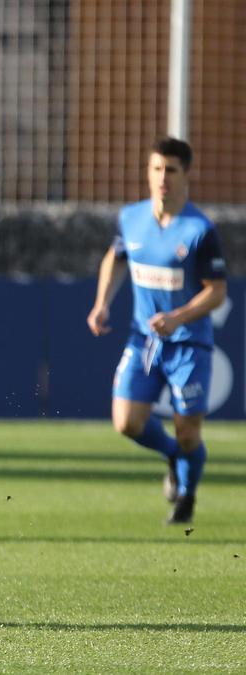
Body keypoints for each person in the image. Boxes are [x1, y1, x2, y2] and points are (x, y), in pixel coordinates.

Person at [86, 137, 228, 524]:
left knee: (188, 432)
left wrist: (179, 317)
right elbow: (115, 259)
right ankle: (171, 456)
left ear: (186, 176)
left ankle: (187, 497)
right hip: (144, 339)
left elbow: (216, 292)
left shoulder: (199, 230)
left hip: (189, 343)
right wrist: (102, 304)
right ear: (148, 172)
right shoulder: (132, 218)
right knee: (126, 422)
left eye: (171, 170)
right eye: (156, 169)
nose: (162, 177)